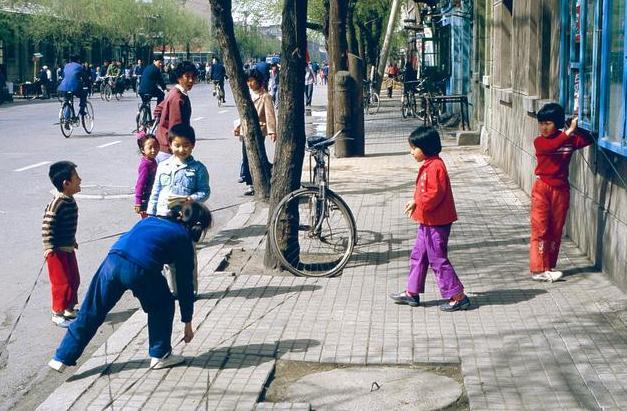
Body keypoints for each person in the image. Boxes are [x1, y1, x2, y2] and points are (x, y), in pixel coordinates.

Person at [48, 202, 212, 372]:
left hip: (112, 260)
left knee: (91, 310)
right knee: (163, 304)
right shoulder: (183, 238)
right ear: (197, 228)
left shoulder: (150, 220)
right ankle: (160, 354)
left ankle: (61, 358)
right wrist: (187, 321)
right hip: (141, 268)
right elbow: (185, 283)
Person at [390, 126, 471, 312]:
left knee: (438, 259)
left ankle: (458, 296)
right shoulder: (430, 165)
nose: (411, 152)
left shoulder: (435, 167)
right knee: (419, 255)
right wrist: (417, 201)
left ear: (425, 147)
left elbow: (433, 195)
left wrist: (417, 202)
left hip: (437, 222)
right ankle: (412, 291)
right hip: (428, 221)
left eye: (414, 148)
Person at [529, 103, 592, 282]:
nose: (543, 127)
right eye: (541, 123)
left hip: (561, 189)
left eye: (547, 123)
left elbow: (588, 139)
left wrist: (578, 122)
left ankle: (549, 266)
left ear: (556, 123)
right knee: (540, 228)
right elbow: (551, 147)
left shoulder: (568, 139)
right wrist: (568, 131)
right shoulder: (540, 141)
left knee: (556, 229)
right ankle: (538, 269)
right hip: (542, 188)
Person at [147, 124, 210, 294]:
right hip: (163, 217)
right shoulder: (163, 166)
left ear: (193, 145)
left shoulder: (198, 169)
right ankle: (172, 291)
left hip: (185, 219)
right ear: (170, 145)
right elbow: (155, 192)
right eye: (177, 145)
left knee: (187, 256)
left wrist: (192, 199)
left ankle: (190, 290)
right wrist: (150, 215)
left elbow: (205, 191)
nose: (182, 149)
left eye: (186, 145)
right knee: (168, 258)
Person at [42, 161, 82, 328]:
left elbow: (67, 226)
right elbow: (47, 225)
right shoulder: (57, 203)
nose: (80, 180)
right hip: (56, 251)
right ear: (66, 183)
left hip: (68, 247)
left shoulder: (70, 200)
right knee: (62, 282)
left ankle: (69, 309)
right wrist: (48, 247)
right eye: (76, 178)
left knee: (74, 279)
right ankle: (57, 312)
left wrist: (72, 241)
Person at [234, 69, 277, 196]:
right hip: (246, 129)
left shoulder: (265, 96)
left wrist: (272, 131)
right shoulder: (247, 95)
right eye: (248, 81)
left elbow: (270, 115)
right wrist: (237, 127)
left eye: (252, 81)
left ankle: (268, 177)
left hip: (259, 130)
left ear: (259, 81)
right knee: (246, 157)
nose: (250, 83)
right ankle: (250, 183)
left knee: (259, 156)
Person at [152, 61, 197, 162]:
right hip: (169, 150)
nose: (191, 80)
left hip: (165, 146)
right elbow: (176, 127)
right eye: (187, 76)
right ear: (179, 77)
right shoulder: (177, 97)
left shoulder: (175, 93)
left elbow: (158, 109)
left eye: (193, 77)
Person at [134, 132, 159, 219]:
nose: (153, 150)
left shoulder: (152, 160)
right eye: (150, 148)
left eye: (156, 147)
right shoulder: (145, 164)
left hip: (152, 195)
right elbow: (140, 184)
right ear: (143, 150)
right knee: (148, 222)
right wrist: (138, 201)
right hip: (146, 198)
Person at [57, 55, 88, 122]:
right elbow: (85, 77)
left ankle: (67, 120)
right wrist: (88, 85)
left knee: (67, 101)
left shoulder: (66, 66)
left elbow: (63, 76)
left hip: (63, 87)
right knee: (83, 94)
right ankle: (82, 110)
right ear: (78, 60)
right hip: (75, 87)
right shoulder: (79, 66)